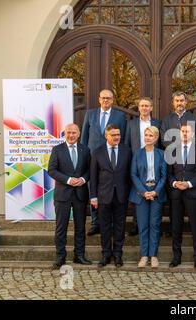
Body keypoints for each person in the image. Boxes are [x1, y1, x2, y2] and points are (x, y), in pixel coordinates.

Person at [81, 89, 127, 236]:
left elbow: (123, 138)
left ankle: (111, 224)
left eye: (109, 98)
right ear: (99, 99)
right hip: (94, 158)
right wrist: (85, 157)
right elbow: (84, 138)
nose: (106, 100)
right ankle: (95, 223)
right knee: (93, 188)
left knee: (111, 190)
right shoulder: (90, 114)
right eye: (103, 98)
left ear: (112, 100)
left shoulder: (119, 116)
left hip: (112, 157)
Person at [48, 124, 92, 268]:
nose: (71, 135)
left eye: (74, 132)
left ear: (79, 134)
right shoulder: (57, 150)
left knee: (80, 227)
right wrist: (68, 180)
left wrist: (83, 179)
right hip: (63, 194)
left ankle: (79, 256)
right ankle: (60, 257)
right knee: (61, 227)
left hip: (80, 194)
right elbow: (52, 170)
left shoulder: (85, 150)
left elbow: (89, 170)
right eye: (68, 132)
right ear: (64, 134)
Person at [160, 91, 196, 237]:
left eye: (182, 101)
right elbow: (164, 139)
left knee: (193, 209)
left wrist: (187, 146)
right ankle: (174, 230)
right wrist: (178, 147)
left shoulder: (194, 119)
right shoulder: (167, 120)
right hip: (174, 160)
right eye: (177, 101)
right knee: (174, 205)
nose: (179, 103)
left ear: (186, 102)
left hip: (191, 162)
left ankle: (194, 231)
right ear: (173, 103)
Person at [90, 124, 132, 268]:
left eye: (118, 135)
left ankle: (118, 254)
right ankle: (106, 254)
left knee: (120, 226)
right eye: (113, 135)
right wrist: (93, 196)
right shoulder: (97, 152)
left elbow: (129, 175)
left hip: (121, 195)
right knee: (105, 226)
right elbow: (93, 176)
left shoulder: (127, 151)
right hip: (103, 196)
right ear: (106, 136)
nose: (116, 137)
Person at [167, 122, 196, 269]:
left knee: (195, 226)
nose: (185, 134)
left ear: (192, 134)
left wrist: (189, 183)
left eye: (187, 131)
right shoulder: (172, 150)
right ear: (179, 133)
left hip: (193, 192)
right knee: (176, 226)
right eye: (182, 131)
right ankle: (176, 257)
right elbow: (169, 174)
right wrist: (174, 183)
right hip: (177, 193)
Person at [129, 126, 167, 269]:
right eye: (146, 135)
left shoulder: (162, 154)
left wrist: (155, 191)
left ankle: (154, 255)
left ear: (156, 138)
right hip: (141, 193)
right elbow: (133, 174)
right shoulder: (137, 154)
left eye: (151, 135)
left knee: (155, 225)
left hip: (157, 194)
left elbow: (164, 176)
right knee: (143, 225)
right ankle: (144, 256)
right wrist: (144, 191)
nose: (148, 137)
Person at [125, 97, 162, 236]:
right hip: (137, 163)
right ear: (139, 108)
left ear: (151, 108)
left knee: (153, 192)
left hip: (153, 163)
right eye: (142, 106)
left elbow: (160, 144)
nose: (144, 108)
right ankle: (137, 224)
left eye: (147, 106)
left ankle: (153, 225)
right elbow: (127, 144)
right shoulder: (131, 124)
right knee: (138, 193)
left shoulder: (158, 123)